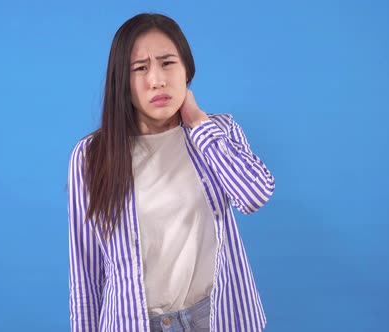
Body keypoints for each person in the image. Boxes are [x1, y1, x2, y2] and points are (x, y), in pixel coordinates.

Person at [68, 13, 275, 332]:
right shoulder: (91, 156)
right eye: (140, 68)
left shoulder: (219, 132)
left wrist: (198, 125)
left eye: (167, 63)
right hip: (134, 324)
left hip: (217, 318)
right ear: (122, 80)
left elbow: (254, 195)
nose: (157, 80)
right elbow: (86, 274)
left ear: (186, 70)